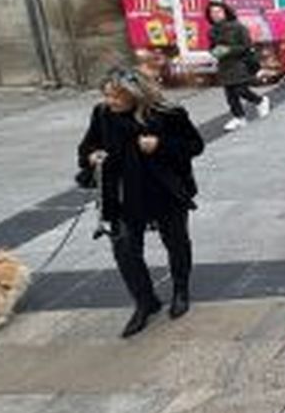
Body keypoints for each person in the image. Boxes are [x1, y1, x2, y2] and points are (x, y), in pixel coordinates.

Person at [77, 68, 204, 337]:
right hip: (121, 194)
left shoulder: (168, 113)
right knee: (125, 249)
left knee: (177, 241)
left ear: (136, 94)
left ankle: (181, 289)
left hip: (164, 190)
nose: (110, 101)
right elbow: (86, 147)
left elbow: (194, 145)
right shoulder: (102, 115)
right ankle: (145, 302)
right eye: (107, 95)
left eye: (116, 96)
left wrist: (160, 144)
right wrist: (92, 155)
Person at [207, 1, 269, 132]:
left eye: (218, 11)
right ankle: (239, 117)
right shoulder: (212, 30)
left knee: (240, 89)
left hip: (239, 62)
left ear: (225, 12)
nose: (215, 15)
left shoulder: (238, 27)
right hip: (224, 64)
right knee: (230, 94)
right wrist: (214, 52)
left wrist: (228, 50)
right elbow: (212, 47)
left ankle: (260, 100)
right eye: (212, 12)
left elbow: (246, 46)